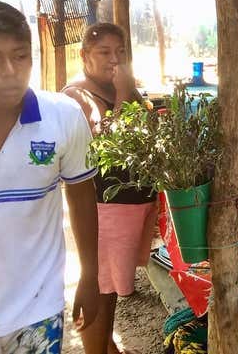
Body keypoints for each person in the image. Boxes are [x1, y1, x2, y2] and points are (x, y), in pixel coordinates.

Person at [0, 1, 99, 353]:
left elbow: (82, 196)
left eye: (20, 56)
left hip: (38, 309)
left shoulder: (63, 117)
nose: (9, 70)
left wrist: (90, 276)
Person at [62, 23, 155, 354]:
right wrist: (121, 94)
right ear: (84, 56)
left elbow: (148, 126)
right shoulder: (77, 96)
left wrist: (130, 93)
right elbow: (102, 150)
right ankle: (95, 350)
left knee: (111, 285)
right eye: (104, 52)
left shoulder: (122, 87)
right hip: (103, 209)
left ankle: (107, 346)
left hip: (126, 208)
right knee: (99, 285)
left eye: (120, 52)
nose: (114, 59)